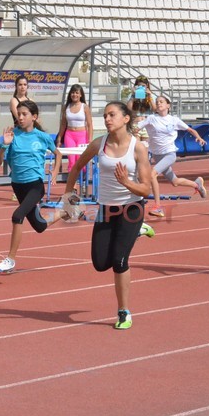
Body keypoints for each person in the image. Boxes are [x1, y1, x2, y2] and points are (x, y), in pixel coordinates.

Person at [63, 101, 153, 329]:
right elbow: (76, 167)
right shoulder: (98, 144)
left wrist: (126, 182)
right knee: (100, 263)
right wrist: (68, 196)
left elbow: (145, 189)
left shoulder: (138, 148)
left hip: (131, 208)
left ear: (126, 118)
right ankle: (137, 232)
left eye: (112, 115)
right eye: (105, 116)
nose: (107, 119)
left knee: (119, 261)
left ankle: (123, 312)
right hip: (105, 209)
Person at [0, 100, 70, 274]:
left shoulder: (42, 137)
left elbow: (58, 154)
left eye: (24, 114)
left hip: (35, 185)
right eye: (18, 114)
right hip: (17, 185)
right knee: (39, 225)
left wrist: (55, 171)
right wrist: (4, 146)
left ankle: (10, 260)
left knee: (17, 216)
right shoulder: (11, 136)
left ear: (34, 117)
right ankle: (65, 212)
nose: (20, 117)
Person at [137, 95, 208, 217]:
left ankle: (158, 207)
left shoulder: (174, 120)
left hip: (169, 154)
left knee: (152, 174)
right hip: (157, 155)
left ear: (168, 105)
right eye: (157, 102)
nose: (159, 104)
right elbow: (136, 128)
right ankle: (197, 185)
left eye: (161, 102)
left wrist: (199, 138)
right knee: (175, 182)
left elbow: (190, 130)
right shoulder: (151, 118)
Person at [56, 84, 94, 171]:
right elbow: (63, 124)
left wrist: (90, 140)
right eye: (73, 93)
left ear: (81, 95)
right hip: (69, 135)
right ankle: (72, 177)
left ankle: (82, 176)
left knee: (80, 159)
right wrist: (59, 138)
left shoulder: (85, 107)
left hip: (82, 135)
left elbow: (90, 124)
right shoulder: (66, 107)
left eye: (77, 93)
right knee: (72, 160)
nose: (74, 95)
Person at [127, 75, 155, 145]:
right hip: (135, 125)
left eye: (143, 86)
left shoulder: (151, 96)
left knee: (146, 147)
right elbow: (128, 109)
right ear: (135, 86)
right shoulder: (131, 96)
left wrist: (149, 97)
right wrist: (133, 96)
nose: (141, 88)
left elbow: (155, 110)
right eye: (139, 86)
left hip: (147, 125)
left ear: (147, 86)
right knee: (136, 146)